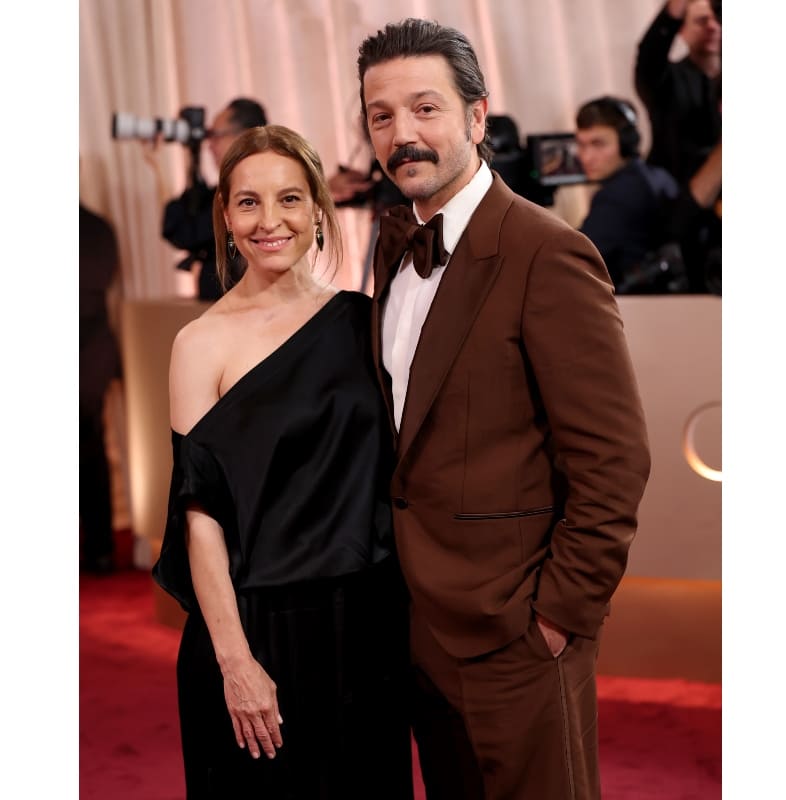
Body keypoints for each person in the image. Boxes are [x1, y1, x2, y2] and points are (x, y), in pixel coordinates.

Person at [357, 18, 651, 800]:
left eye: (425, 109)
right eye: (381, 116)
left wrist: (557, 618)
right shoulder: (392, 246)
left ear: (477, 117)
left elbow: (614, 460)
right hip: (417, 630)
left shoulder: (546, 253)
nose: (403, 135)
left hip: (519, 635)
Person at [151, 124, 412, 799]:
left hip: (367, 632)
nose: (271, 221)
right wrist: (235, 662)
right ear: (226, 219)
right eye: (248, 203)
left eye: (290, 199)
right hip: (255, 630)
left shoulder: (365, 322)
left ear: (320, 211)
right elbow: (197, 514)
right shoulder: (200, 343)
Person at [143, 98, 268, 300]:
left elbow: (184, 231)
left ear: (244, 137)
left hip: (240, 316)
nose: (210, 145)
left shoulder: (246, 194)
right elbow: (190, 212)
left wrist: (159, 168)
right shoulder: (232, 188)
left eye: (216, 136)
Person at [574, 96, 682, 293]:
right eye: (581, 145)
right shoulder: (660, 177)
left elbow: (575, 259)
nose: (586, 157)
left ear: (626, 144)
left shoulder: (616, 196)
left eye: (598, 144)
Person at [634, 0, 721, 185]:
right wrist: (674, 10)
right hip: (678, 195)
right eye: (702, 21)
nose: (713, 27)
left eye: (719, 19)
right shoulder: (666, 80)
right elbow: (650, 54)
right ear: (681, 30)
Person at [79, 202, 122, 574]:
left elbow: (92, 283)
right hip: (91, 348)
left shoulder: (93, 228)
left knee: (88, 446)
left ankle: (99, 549)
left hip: (87, 349)